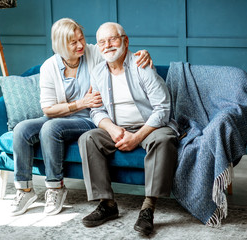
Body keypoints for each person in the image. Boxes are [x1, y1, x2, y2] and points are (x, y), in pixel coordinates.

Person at [11, 18, 153, 217]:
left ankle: (55, 188)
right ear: (60, 45)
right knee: (21, 130)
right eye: (73, 42)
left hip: (89, 118)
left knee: (51, 129)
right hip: (64, 115)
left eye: (81, 39)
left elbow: (117, 50)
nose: (81, 45)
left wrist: (143, 53)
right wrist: (80, 103)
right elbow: (48, 110)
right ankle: (25, 190)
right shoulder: (49, 68)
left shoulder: (93, 52)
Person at [78, 22, 178, 236]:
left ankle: (148, 207)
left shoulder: (141, 65)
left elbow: (163, 108)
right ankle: (107, 204)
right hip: (119, 127)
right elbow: (96, 110)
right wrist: (112, 129)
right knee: (88, 138)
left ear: (125, 40)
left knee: (164, 139)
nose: (108, 45)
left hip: (151, 126)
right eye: (102, 42)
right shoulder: (97, 72)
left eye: (112, 39)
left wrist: (137, 137)